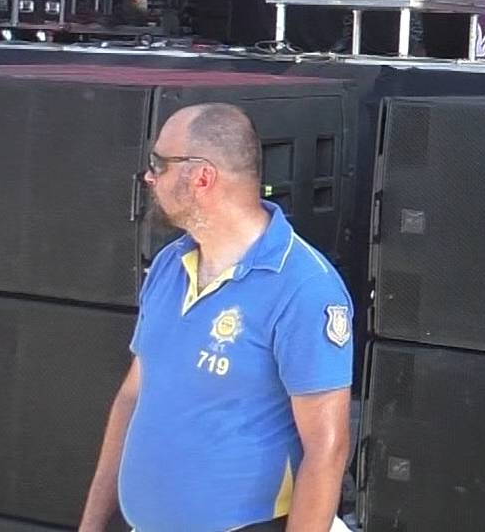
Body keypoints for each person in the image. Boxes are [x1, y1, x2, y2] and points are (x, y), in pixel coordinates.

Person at [77, 103, 354, 532]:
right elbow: (133, 396)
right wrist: (92, 524)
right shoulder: (170, 264)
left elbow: (327, 450)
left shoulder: (303, 286)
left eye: (160, 164)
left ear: (202, 177)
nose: (149, 177)